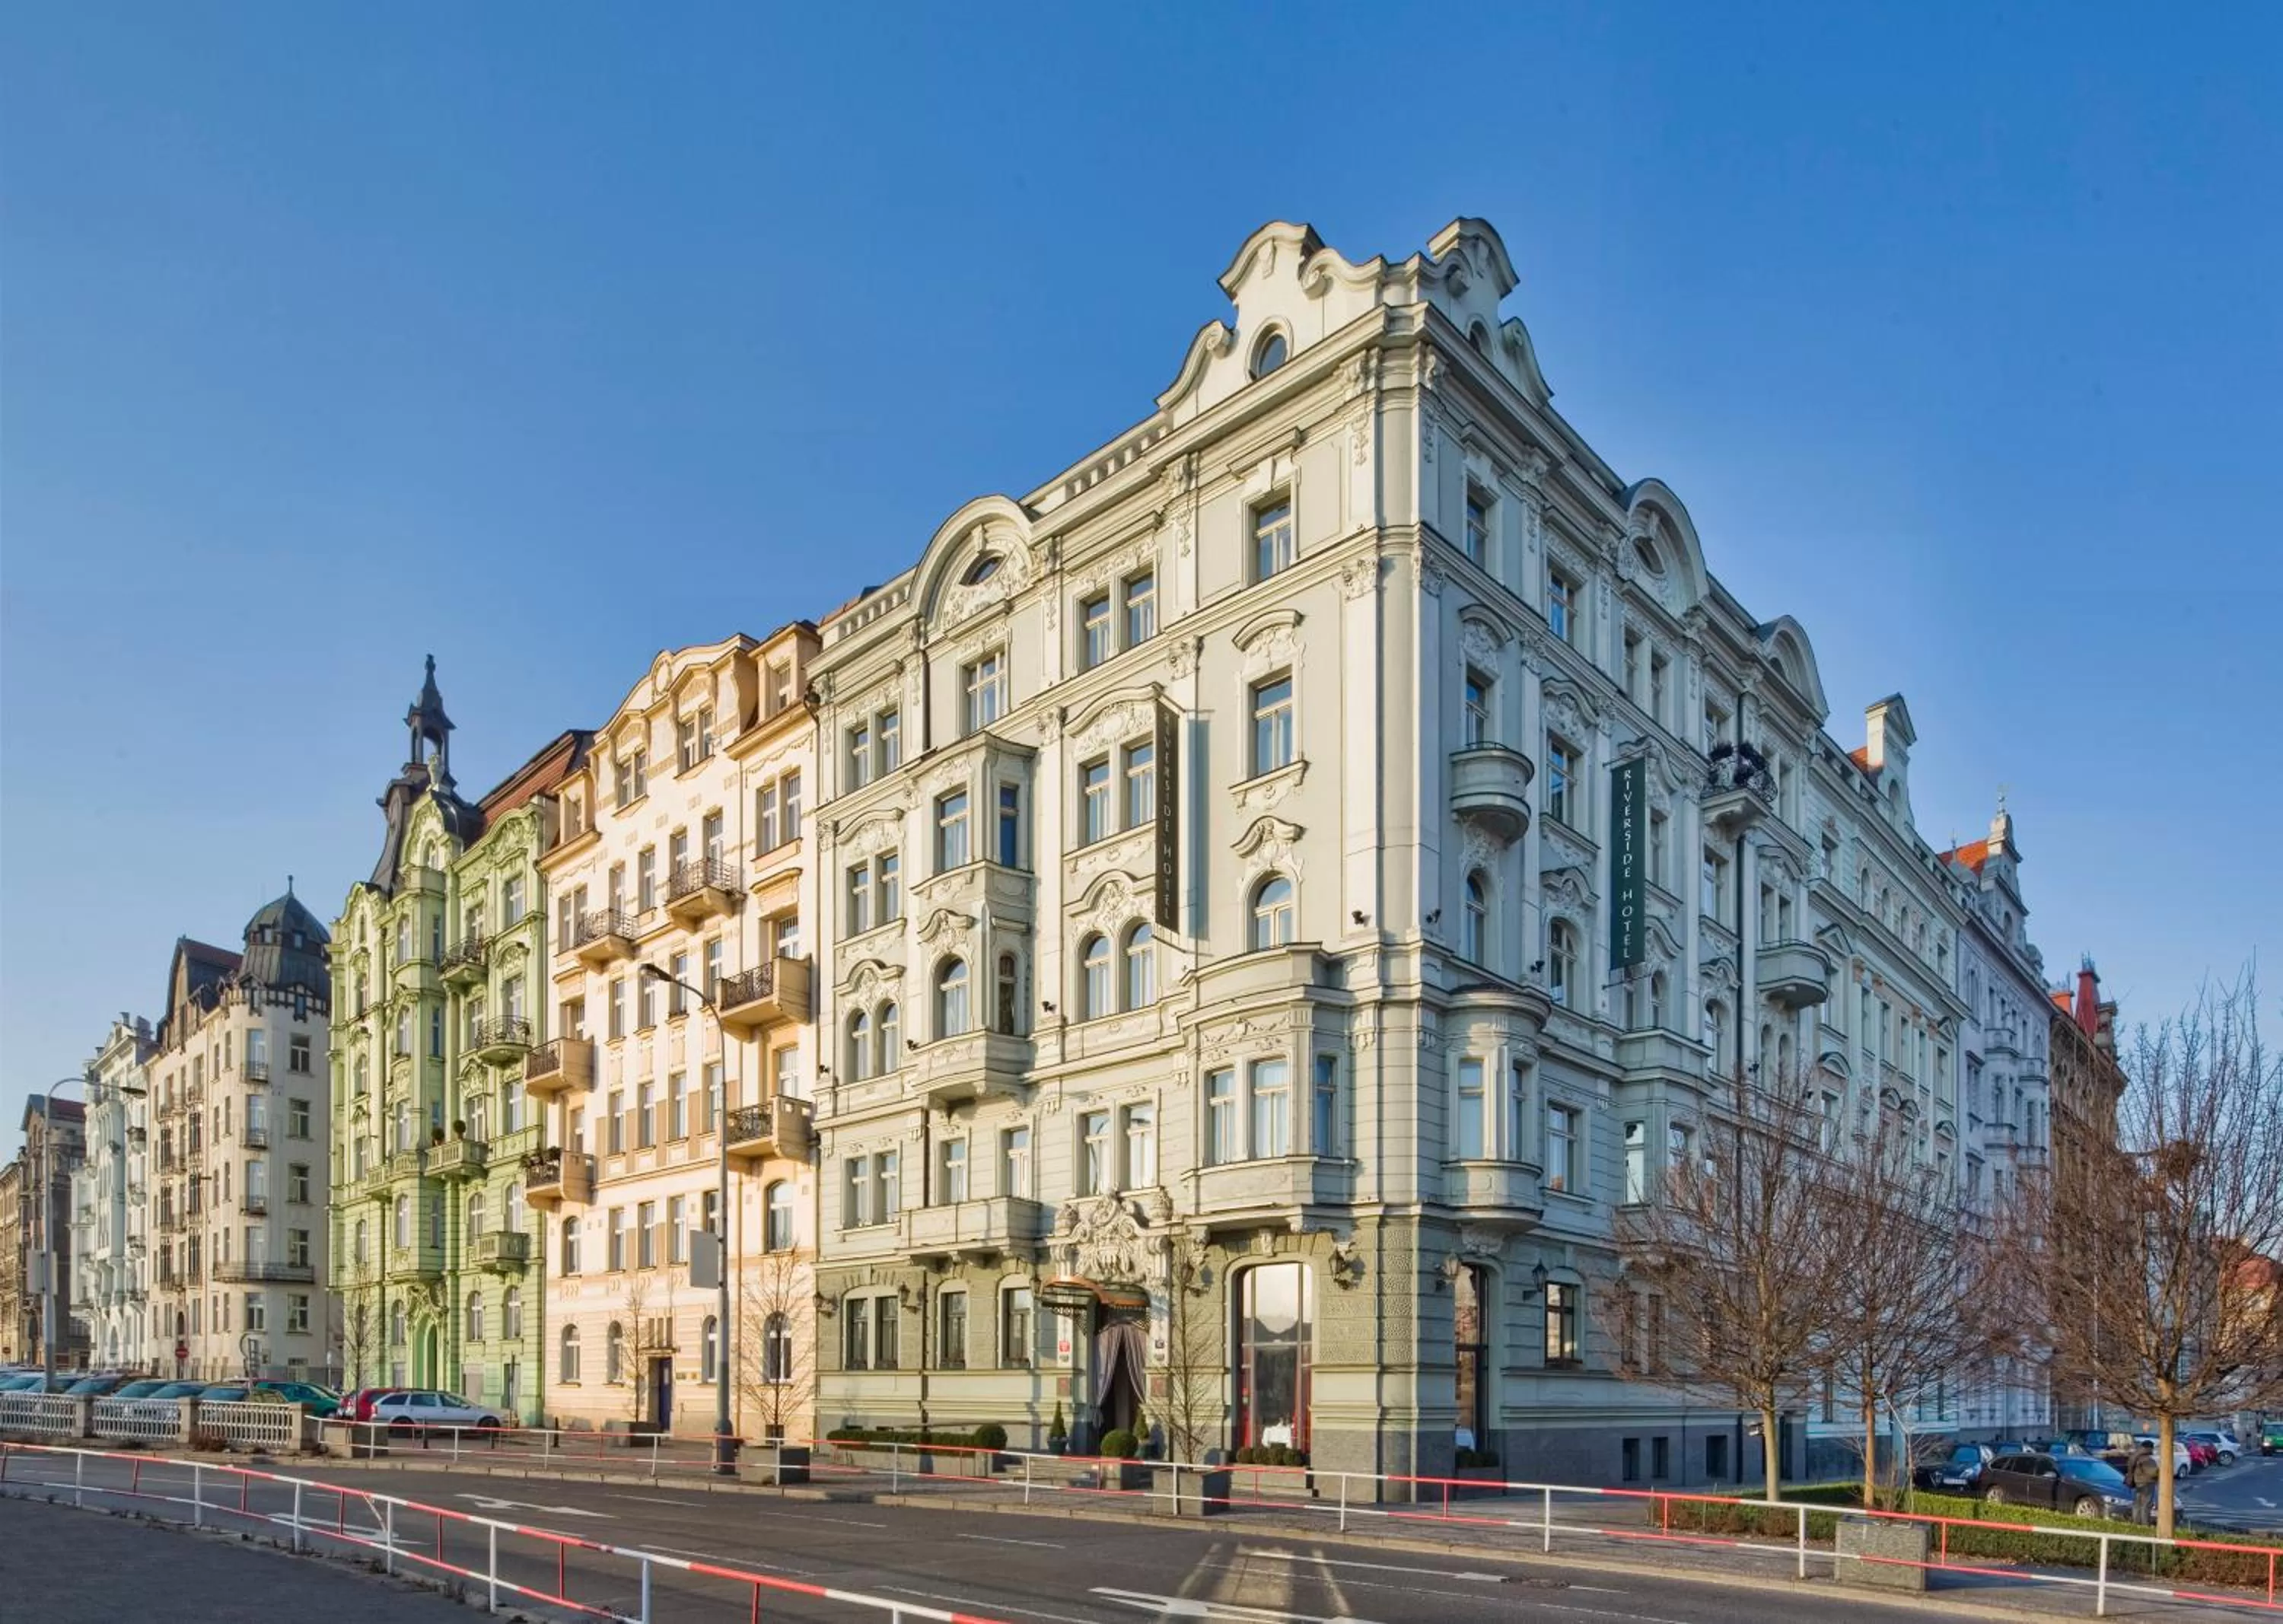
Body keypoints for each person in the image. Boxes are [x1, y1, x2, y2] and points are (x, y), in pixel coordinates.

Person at [2128, 1441, 2160, 1524]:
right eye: (2152, 1448)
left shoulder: (2135, 1456)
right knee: (2146, 1505)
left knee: (2137, 1504)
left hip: (2137, 1483)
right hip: (2147, 1483)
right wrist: (2159, 1471)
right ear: (2149, 1448)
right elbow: (2152, 1473)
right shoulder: (2147, 1459)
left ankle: (2136, 1523)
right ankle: (2144, 1524)